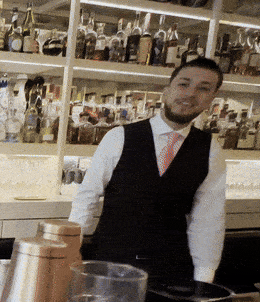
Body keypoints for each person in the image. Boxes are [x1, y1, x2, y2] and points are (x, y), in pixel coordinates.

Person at [69, 58, 226, 283]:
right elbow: (87, 197)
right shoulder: (118, 137)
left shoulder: (211, 150)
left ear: (211, 100)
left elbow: (208, 220)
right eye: (184, 84)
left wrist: (203, 282)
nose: (191, 94)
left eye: (203, 89)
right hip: (110, 263)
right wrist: (72, 251)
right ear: (166, 91)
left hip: (169, 270)